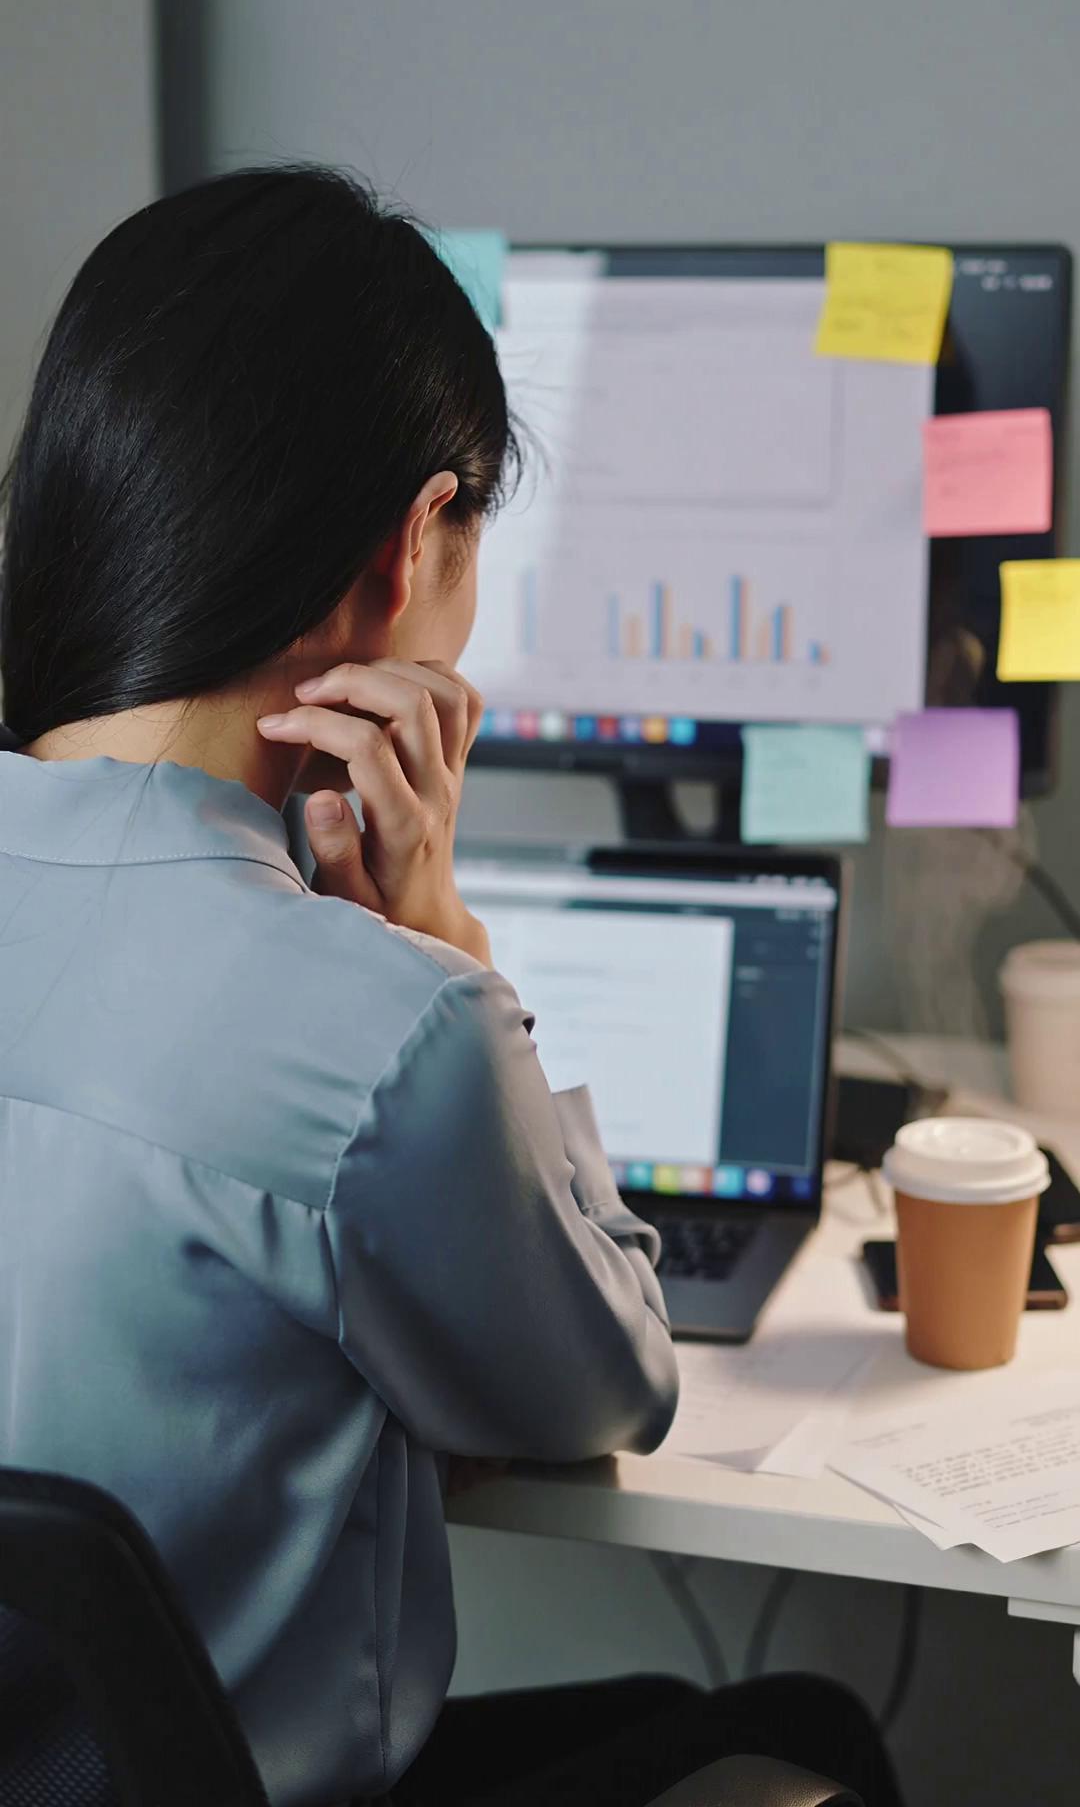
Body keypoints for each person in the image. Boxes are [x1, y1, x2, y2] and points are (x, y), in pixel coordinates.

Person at [0, 167, 902, 1807]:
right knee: (807, 1740)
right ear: (412, 550)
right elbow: (608, 1383)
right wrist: (441, 942)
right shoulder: (377, 1026)